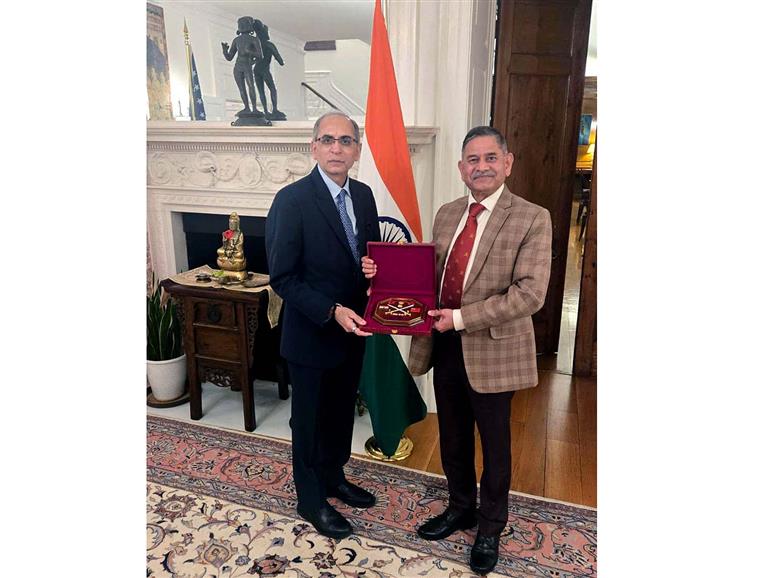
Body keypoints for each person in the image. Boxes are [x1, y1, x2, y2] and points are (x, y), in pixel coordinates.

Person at [362, 126, 552, 575]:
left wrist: (461, 318)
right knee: (452, 437)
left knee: (496, 446)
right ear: (461, 168)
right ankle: (461, 507)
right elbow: (426, 278)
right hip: (444, 344)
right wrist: (382, 276)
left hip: (493, 351)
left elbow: (529, 294)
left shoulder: (532, 217)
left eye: (490, 158)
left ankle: (490, 526)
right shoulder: (447, 214)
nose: (481, 167)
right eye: (472, 159)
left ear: (507, 163)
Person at [265, 111, 381, 540]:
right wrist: (332, 310)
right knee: (309, 421)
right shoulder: (291, 200)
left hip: (354, 333)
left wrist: (373, 268)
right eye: (328, 140)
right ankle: (310, 497)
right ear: (314, 147)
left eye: (346, 141)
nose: (337, 148)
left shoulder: (364, 196)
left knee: (340, 414)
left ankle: (334, 477)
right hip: (312, 333)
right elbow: (282, 277)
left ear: (357, 150)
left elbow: (366, 256)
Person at [221, 16, 262, 115]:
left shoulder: (254, 39)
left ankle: (254, 108)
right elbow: (230, 57)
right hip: (238, 66)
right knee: (241, 88)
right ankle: (246, 107)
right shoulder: (236, 40)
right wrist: (225, 51)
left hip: (247, 66)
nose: (242, 26)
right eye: (240, 24)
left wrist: (249, 52)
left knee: (251, 86)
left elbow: (260, 56)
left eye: (244, 24)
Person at [253, 21, 286, 120]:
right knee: (272, 88)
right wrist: (281, 61)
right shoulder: (269, 45)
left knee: (261, 91)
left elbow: (251, 59)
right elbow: (279, 59)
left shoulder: (255, 45)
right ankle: (274, 109)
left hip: (256, 69)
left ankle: (266, 110)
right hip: (264, 70)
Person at [216, 212, 247, 281]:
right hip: (227, 249)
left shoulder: (240, 234)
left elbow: (240, 244)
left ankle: (235, 271)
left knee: (239, 254)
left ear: (237, 225)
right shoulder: (227, 233)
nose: (231, 226)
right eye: (230, 224)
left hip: (235, 250)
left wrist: (233, 248)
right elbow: (224, 244)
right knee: (219, 251)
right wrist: (225, 240)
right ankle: (224, 270)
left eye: (233, 224)